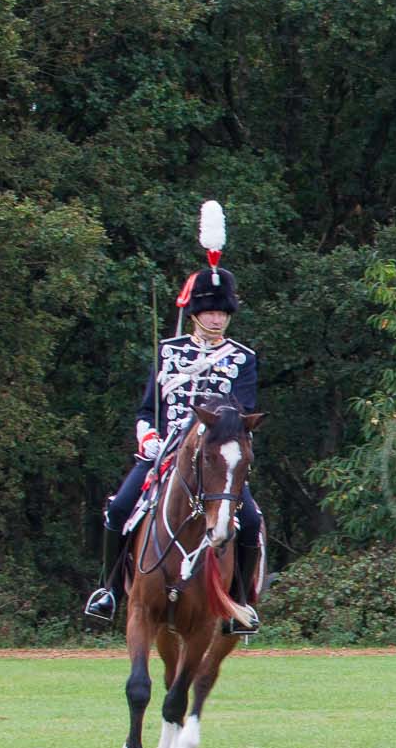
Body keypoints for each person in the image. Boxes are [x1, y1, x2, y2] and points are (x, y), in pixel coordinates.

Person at [86, 201, 263, 633]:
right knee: (119, 508)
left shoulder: (242, 358)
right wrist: (147, 437)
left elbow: (240, 414)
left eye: (222, 312)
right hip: (166, 452)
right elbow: (148, 408)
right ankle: (108, 590)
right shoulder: (169, 352)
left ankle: (239, 602)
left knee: (252, 521)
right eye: (210, 312)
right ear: (196, 313)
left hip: (216, 457)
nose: (217, 318)